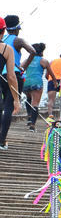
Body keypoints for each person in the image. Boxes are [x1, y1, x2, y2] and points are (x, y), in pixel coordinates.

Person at [1, 15, 35, 149]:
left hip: (2, 74)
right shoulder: (17, 40)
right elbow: (32, 51)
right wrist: (23, 67)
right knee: (9, 106)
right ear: (18, 28)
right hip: (14, 75)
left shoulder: (2, 40)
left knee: (3, 106)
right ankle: (2, 140)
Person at [23, 43, 57, 131]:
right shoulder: (44, 61)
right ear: (41, 52)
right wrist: (55, 82)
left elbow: (20, 68)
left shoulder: (27, 60)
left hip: (26, 82)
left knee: (28, 98)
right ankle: (32, 126)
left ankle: (29, 116)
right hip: (37, 83)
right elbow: (51, 74)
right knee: (35, 103)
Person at [0, 18, 21, 150]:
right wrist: (16, 99)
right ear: (3, 31)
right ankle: (1, 141)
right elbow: (11, 76)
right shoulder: (6, 49)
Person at [46, 50, 61, 117]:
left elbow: (46, 74)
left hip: (52, 80)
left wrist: (50, 79)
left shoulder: (52, 62)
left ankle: (50, 114)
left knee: (51, 100)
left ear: (60, 55)